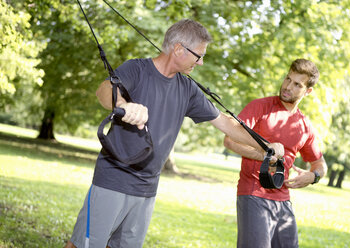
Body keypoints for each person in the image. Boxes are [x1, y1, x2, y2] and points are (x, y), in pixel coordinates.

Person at [64, 19, 284, 248]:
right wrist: (123, 104)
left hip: (147, 189)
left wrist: (265, 145)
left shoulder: (187, 89)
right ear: (178, 49)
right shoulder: (137, 69)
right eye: (198, 55)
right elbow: (104, 90)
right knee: (83, 245)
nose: (200, 62)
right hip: (113, 180)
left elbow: (227, 124)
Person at [224, 59, 328, 248]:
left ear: (308, 91)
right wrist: (264, 155)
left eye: (297, 84)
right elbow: (230, 139)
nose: (288, 86)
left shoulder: (304, 125)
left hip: (283, 200)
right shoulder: (261, 106)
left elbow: (320, 164)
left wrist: (313, 176)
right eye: (288, 79)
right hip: (253, 192)